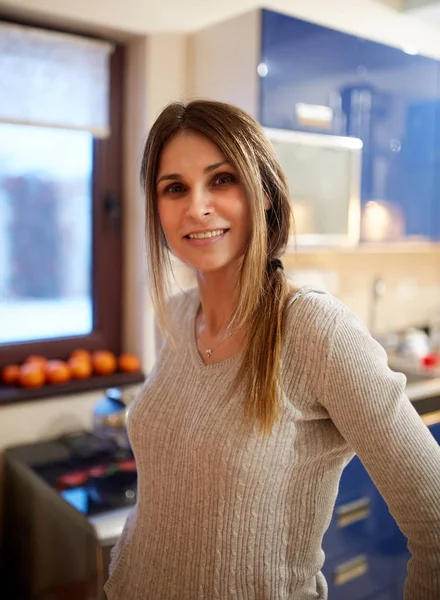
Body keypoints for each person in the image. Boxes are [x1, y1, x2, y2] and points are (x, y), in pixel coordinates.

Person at [104, 99, 440, 600]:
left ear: (263, 193)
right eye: (175, 188)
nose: (197, 206)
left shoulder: (314, 330)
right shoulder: (175, 315)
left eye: (221, 180)